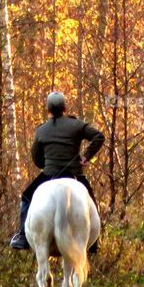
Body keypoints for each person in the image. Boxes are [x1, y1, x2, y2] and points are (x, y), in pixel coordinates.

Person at [10, 91, 104, 252]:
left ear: (48, 109)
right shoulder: (77, 125)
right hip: (75, 175)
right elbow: (99, 136)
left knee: (26, 197)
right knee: (91, 201)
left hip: (49, 175)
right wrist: (85, 157)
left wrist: (46, 164)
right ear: (65, 107)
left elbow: (36, 158)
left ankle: (23, 236)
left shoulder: (41, 130)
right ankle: (94, 241)